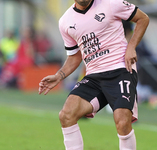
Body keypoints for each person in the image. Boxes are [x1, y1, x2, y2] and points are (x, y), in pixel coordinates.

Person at [38, 0, 149, 149]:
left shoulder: (111, 3)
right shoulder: (65, 21)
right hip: (94, 76)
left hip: (120, 69)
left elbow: (143, 18)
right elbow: (74, 56)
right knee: (66, 114)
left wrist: (131, 47)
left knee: (122, 122)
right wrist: (59, 76)